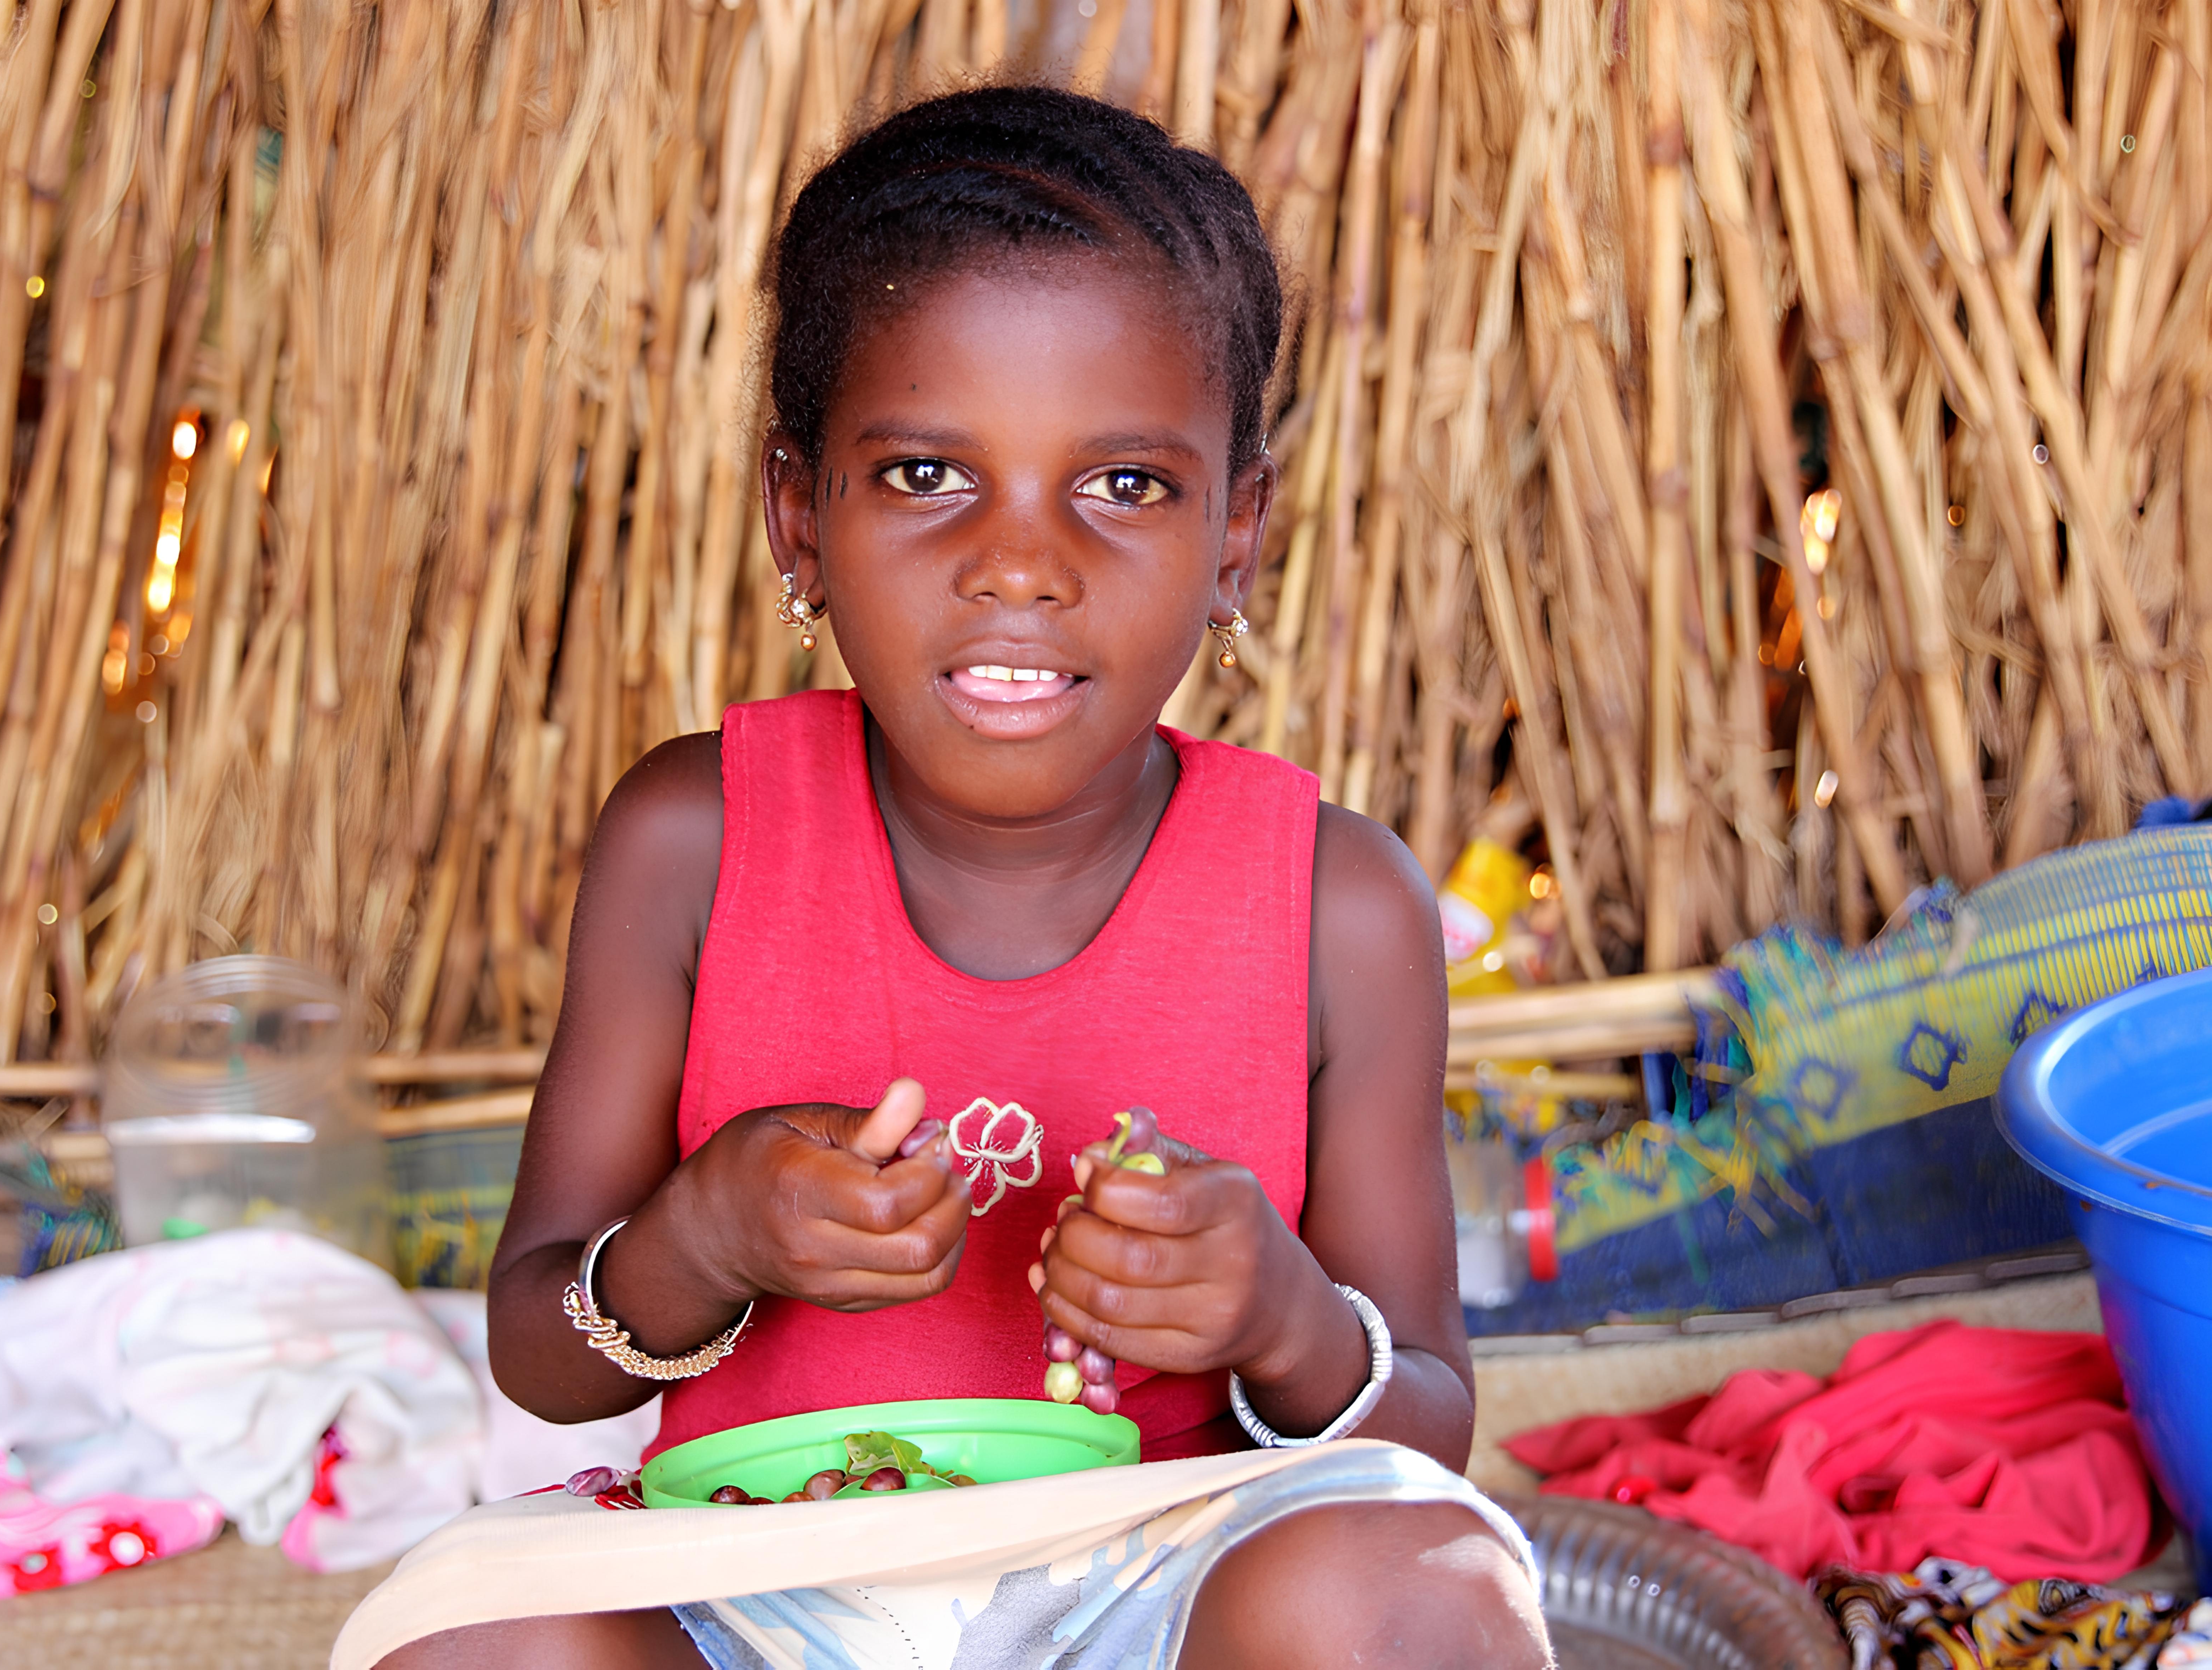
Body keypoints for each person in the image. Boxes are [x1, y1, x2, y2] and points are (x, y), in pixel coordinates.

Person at [354, 85, 1550, 1670]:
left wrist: (1282, 1314)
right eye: (927, 475)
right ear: (800, 513)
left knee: (1405, 1580)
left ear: (1236, 532)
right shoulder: (692, 837)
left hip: (1161, 1584)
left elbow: (1430, 1423)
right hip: (762, 1587)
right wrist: (702, 1234)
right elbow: (545, 1360)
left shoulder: (1337, 904)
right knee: (482, 1634)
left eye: (1123, 485)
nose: (1020, 563)